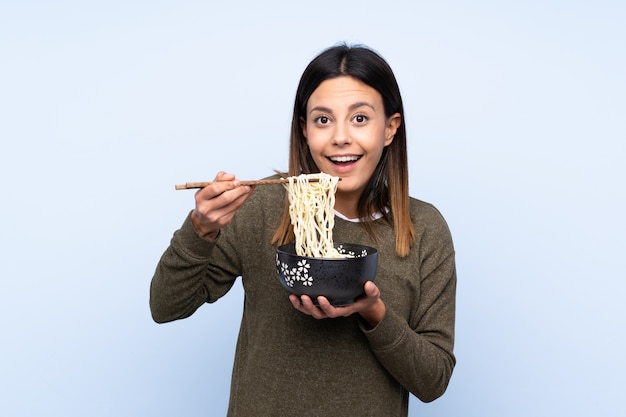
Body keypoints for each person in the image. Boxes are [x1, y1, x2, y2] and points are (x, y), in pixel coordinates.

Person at [150, 43, 456, 416]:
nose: (340, 137)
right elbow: (166, 306)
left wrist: (374, 312)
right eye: (323, 120)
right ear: (305, 130)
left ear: (390, 128)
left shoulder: (424, 228)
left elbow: (433, 380)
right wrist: (200, 230)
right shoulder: (261, 207)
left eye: (360, 118)